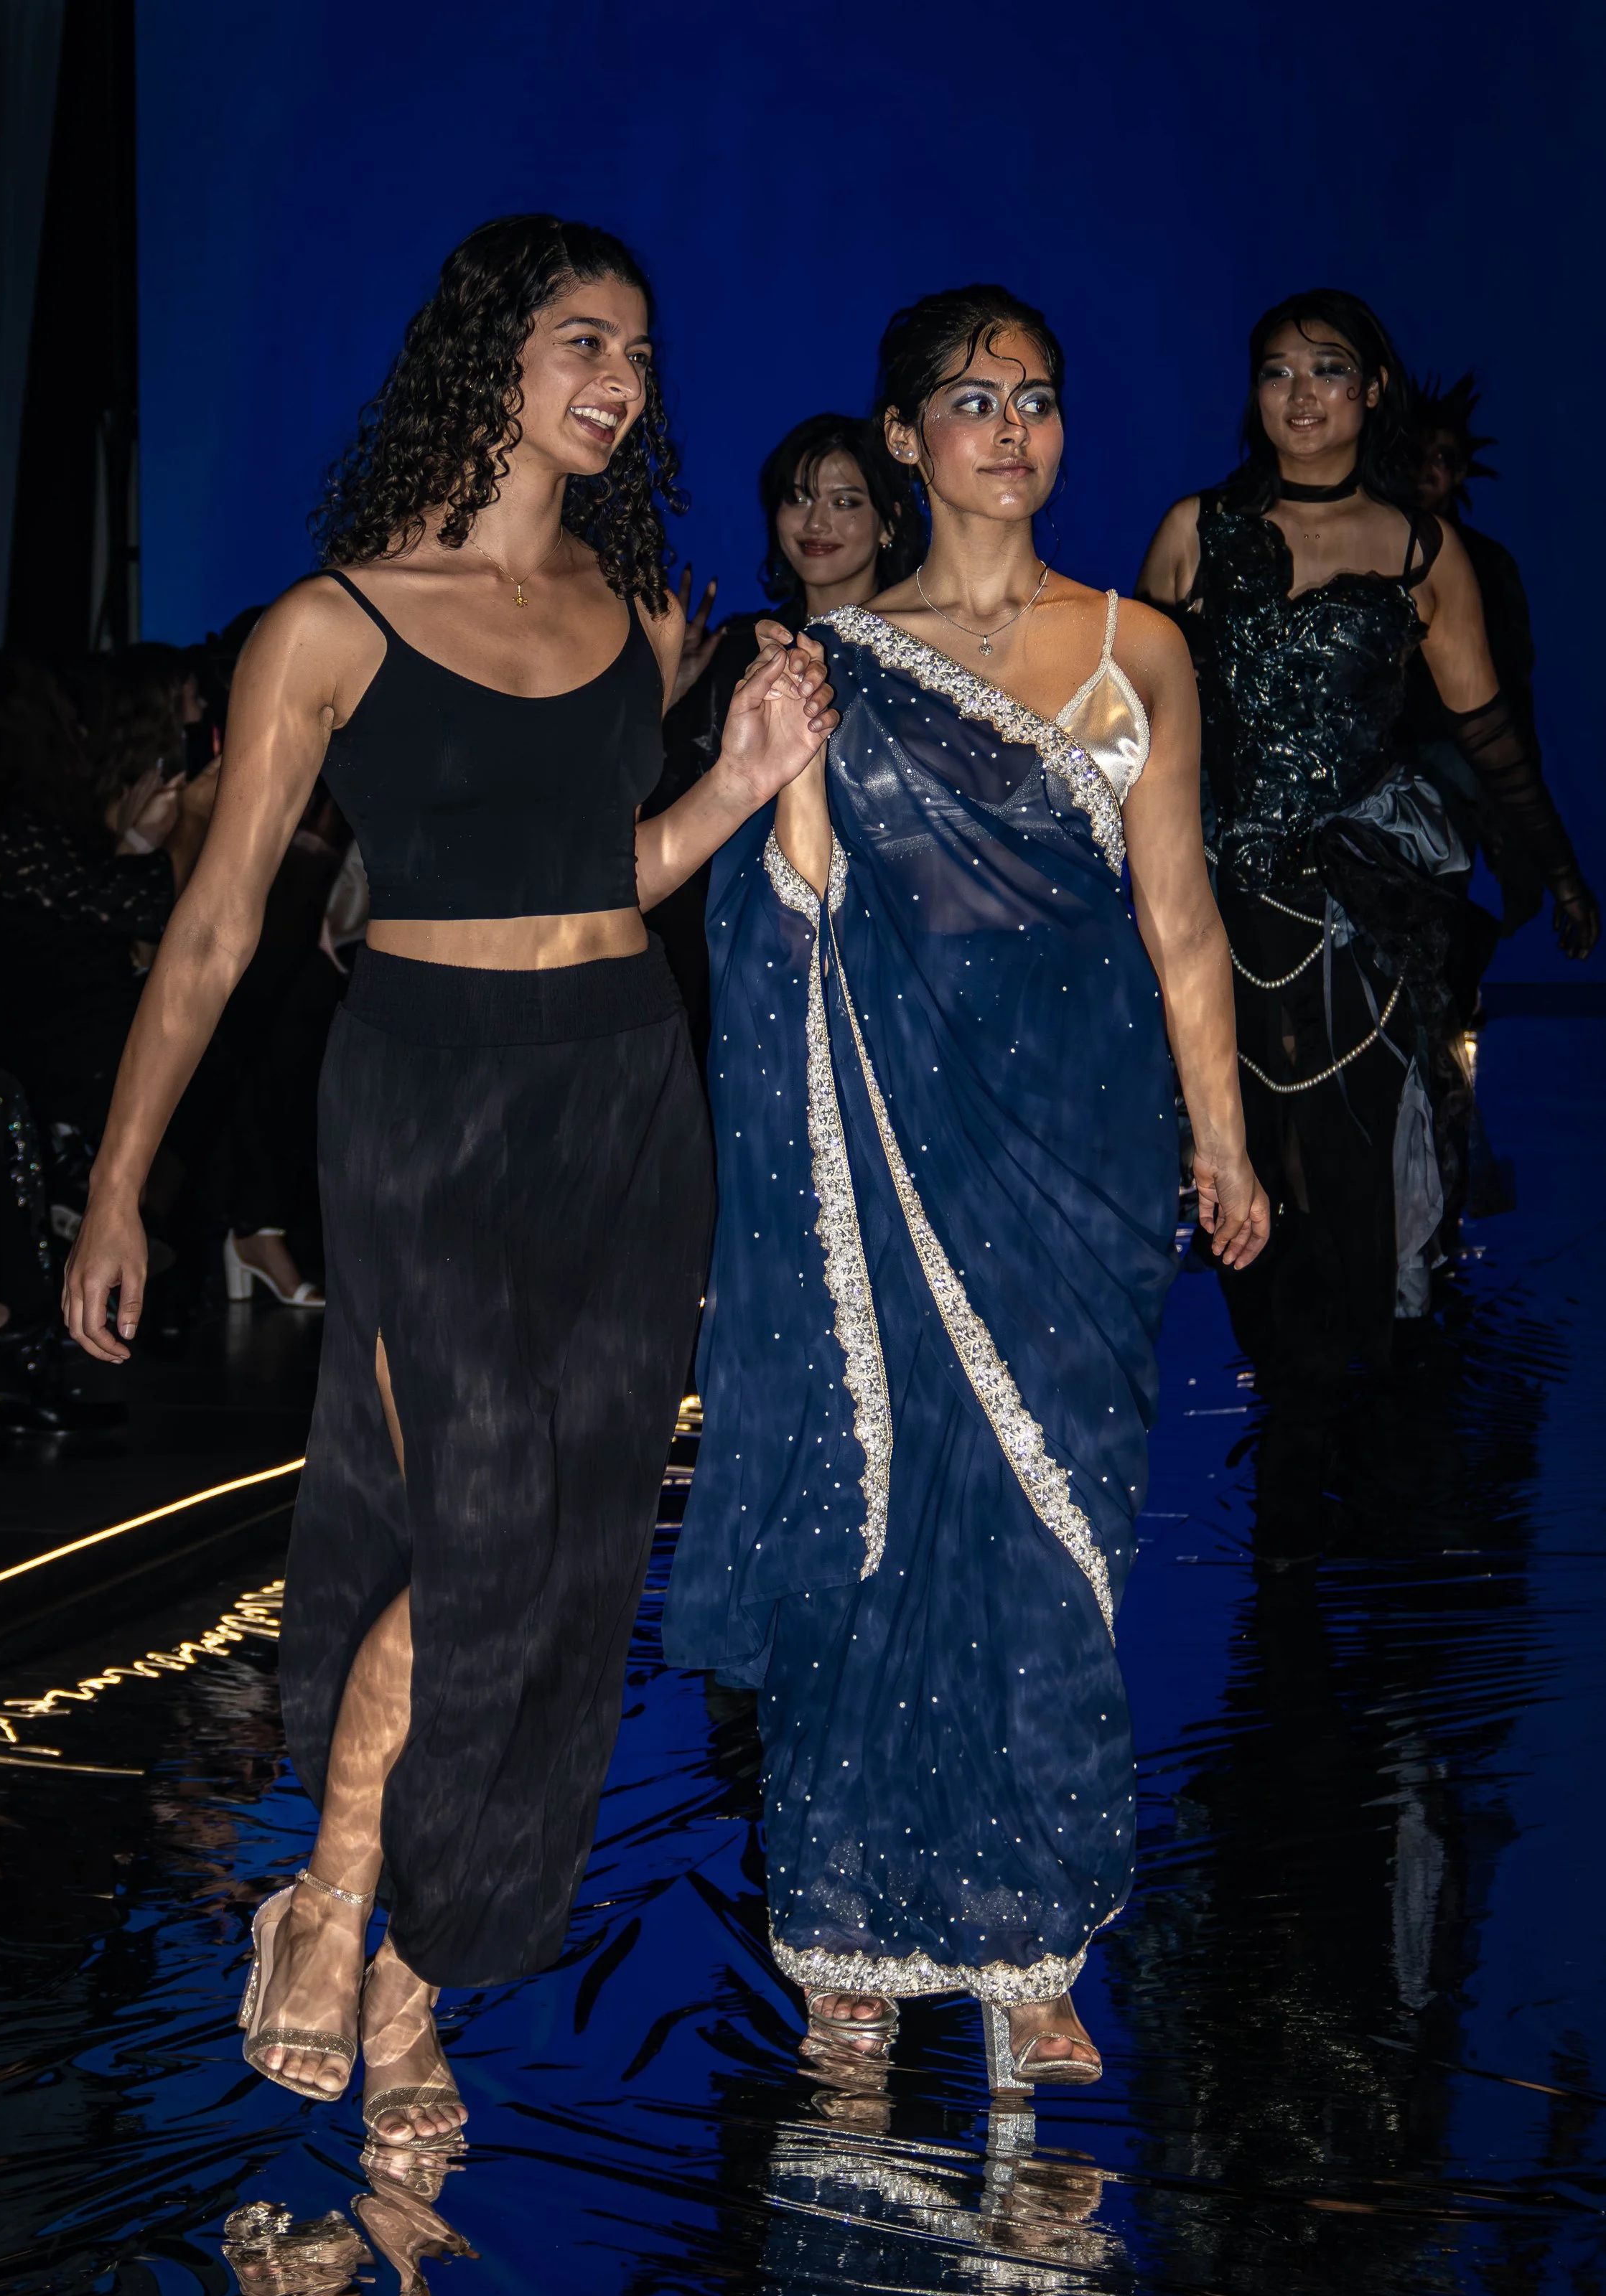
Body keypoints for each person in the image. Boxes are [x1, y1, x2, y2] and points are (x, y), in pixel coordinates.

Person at [61, 215, 834, 2155]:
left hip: (623, 1112)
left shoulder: (636, 609)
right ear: (487, 357)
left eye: (642, 358)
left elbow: (612, 882)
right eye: (584, 342)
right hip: (423, 1107)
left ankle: (409, 1981)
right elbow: (217, 928)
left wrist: (734, 785)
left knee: (561, 1570)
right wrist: (119, 1185)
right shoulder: (328, 625)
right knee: (479, 1531)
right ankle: (327, 1896)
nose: (620, 383)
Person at [665, 286, 1266, 2095]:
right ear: (907, 436)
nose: (1014, 428)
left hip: (1076, 1168)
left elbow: (1180, 924)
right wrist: (772, 795)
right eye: (974, 400)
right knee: (883, 1503)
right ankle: (850, 1937)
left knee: (1048, 1549)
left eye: (1041, 398)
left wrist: (1222, 1136)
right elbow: (793, 916)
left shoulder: (1136, 646)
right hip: (898, 1156)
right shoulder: (838, 660)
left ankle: (1030, 1942)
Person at [1139, 291, 1597, 1558]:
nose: (1300, 395)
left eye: (1328, 371)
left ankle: (1314, 1575)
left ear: (1371, 391)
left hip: (1356, 927)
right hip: (1217, 932)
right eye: (1277, 371)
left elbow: (1492, 737)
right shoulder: (1196, 530)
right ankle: (1300, 1556)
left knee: (1356, 1247)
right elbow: (1134, 740)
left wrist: (1556, 873)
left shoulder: (1420, 552)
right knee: (1245, 1239)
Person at [648, 416, 922, 1061]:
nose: (816, 522)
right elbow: (665, 806)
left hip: (881, 952)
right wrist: (658, 698)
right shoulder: (736, 649)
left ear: (888, 522)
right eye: (797, 498)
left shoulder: (922, 659)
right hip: (729, 947)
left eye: (845, 502)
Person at [1403, 372, 1589, 967]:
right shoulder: (1354, 547)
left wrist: (1556, 868)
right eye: (1417, 452)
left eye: (1444, 458)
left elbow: (1508, 716)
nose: (1429, 467)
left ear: (1459, 473)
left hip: (1449, 792)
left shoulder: (1486, 567)